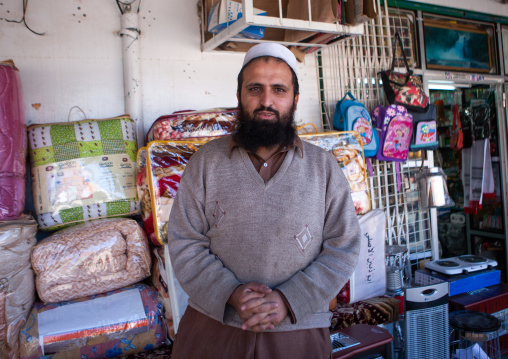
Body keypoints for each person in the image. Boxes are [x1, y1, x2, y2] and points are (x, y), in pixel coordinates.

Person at [168, 42, 361, 359]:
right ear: (240, 96)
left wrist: (288, 300)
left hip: (298, 333)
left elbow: (344, 246)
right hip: (210, 331)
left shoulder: (324, 168)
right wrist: (231, 294)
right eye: (255, 88)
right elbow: (184, 241)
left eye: (279, 89)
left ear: (295, 100)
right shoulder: (205, 163)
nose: (266, 101)